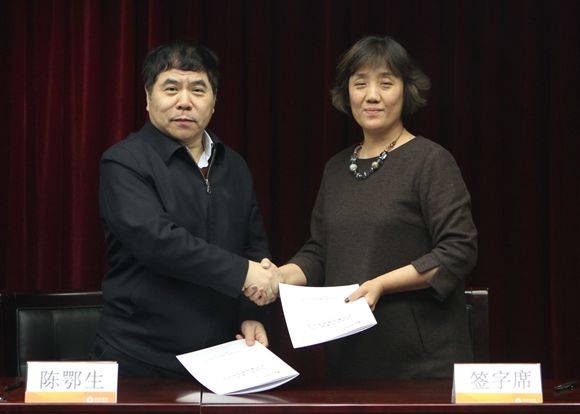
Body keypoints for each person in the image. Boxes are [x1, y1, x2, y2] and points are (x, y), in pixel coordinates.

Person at [255, 35, 478, 380]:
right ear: (347, 94)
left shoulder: (430, 160)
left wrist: (381, 284)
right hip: (350, 359)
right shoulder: (336, 168)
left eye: (386, 83)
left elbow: (458, 251)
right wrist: (279, 277)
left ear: (406, 91)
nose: (372, 95)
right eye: (360, 84)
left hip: (421, 366)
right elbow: (320, 253)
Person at [91, 41, 278, 377]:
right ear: (148, 97)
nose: (184, 101)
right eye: (171, 88)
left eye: (198, 90)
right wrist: (243, 273)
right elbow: (158, 242)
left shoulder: (234, 165)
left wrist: (252, 313)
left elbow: (254, 244)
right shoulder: (123, 161)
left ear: (214, 101)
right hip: (140, 356)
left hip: (222, 357)